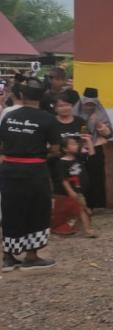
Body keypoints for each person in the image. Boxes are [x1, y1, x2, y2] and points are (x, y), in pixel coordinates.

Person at [0, 77, 61, 271]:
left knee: (11, 209)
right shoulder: (48, 119)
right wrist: (40, 154)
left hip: (9, 169)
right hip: (35, 170)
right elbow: (56, 149)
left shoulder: (9, 117)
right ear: (42, 96)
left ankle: (8, 257)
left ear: (21, 95)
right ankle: (31, 256)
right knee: (37, 210)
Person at [49, 136, 97, 238]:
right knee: (82, 209)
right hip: (68, 192)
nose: (76, 146)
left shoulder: (78, 157)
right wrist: (70, 191)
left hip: (79, 190)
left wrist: (88, 141)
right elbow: (63, 179)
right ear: (65, 149)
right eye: (73, 144)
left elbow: (92, 154)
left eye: (76, 144)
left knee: (82, 210)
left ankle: (79, 227)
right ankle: (88, 230)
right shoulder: (62, 162)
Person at [74, 87, 113, 209]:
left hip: (96, 148)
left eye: (92, 105)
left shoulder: (100, 113)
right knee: (80, 178)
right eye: (87, 104)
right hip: (78, 149)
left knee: (95, 177)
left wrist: (99, 124)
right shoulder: (75, 113)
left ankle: (94, 205)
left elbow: (110, 134)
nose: (89, 107)